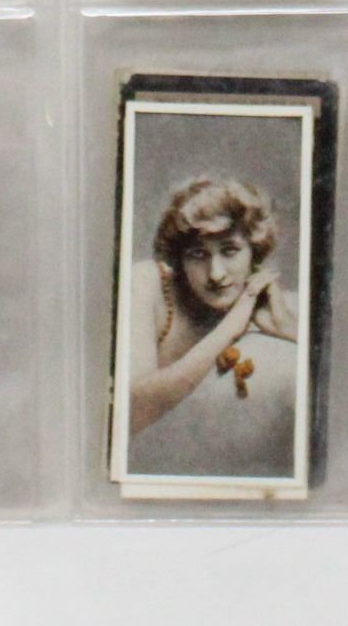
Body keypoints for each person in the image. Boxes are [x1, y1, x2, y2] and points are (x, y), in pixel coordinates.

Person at [124, 176, 298, 478]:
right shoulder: (145, 285)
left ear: (254, 252)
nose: (216, 274)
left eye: (229, 250)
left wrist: (287, 327)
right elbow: (129, 413)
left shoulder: (265, 301)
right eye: (198, 254)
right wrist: (230, 328)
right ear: (179, 259)